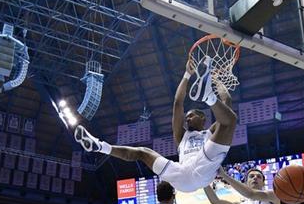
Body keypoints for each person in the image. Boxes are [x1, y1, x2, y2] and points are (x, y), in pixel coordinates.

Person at [74, 58, 237, 193]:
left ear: (203, 118)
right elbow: (177, 103)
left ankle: (208, 93)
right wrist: (187, 74)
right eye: (186, 117)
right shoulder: (181, 136)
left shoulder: (210, 133)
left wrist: (215, 80)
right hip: (181, 174)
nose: (187, 119)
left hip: (203, 166)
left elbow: (227, 103)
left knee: (228, 121)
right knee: (142, 152)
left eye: (191, 115)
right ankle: (99, 146)